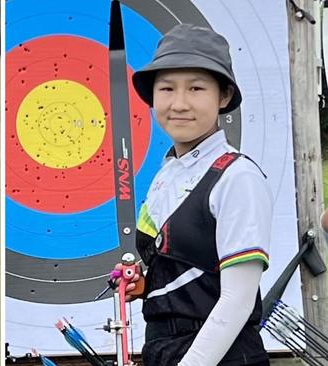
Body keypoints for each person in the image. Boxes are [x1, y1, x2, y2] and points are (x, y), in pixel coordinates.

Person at [118, 25, 273, 365]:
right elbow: (192, 269)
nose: (179, 103)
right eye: (167, 88)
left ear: (224, 96)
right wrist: (151, 286)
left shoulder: (238, 177)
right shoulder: (168, 172)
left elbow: (237, 300)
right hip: (166, 351)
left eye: (196, 88)